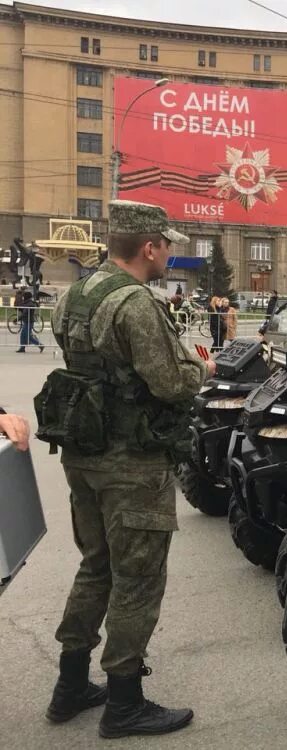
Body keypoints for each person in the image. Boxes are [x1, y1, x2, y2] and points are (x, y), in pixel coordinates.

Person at [44, 199, 214, 738]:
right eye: (165, 245)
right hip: (132, 465)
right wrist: (201, 367)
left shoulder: (75, 293)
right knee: (137, 579)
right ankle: (124, 703)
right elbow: (171, 382)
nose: (167, 254)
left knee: (96, 565)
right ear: (148, 248)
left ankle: (71, 686)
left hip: (83, 455)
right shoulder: (136, 303)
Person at [15, 288, 44, 353]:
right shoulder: (27, 303)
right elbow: (20, 308)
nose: (23, 298)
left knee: (28, 336)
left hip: (29, 322)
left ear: (26, 297)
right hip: (26, 321)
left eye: (23, 296)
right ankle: (22, 348)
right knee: (23, 335)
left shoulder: (29, 304)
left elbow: (24, 314)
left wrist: (17, 319)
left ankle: (40, 345)